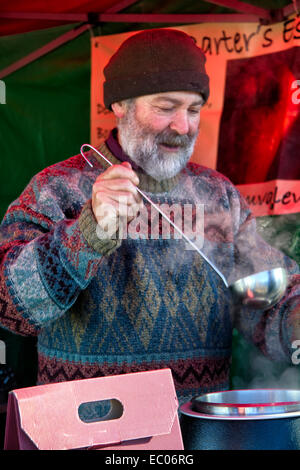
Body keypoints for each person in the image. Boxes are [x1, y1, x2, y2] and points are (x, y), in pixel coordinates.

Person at [0, 28, 299, 408]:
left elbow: (266, 297)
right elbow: (9, 308)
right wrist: (88, 232)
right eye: (165, 107)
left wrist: (294, 322)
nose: (183, 126)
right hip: (88, 433)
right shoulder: (56, 189)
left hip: (200, 431)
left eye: (193, 109)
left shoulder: (219, 194)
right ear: (120, 104)